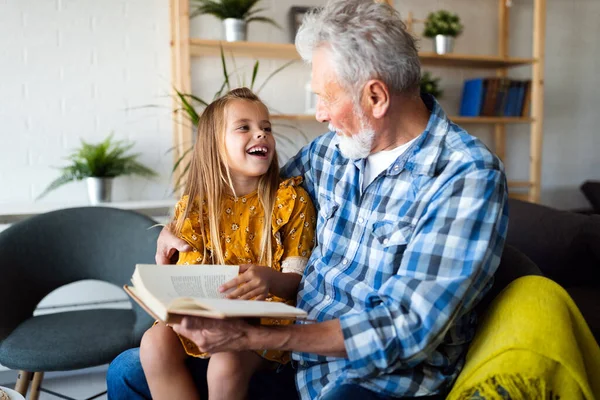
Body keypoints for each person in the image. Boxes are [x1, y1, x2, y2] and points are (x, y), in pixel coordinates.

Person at [107, 0, 508, 399]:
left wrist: (254, 336)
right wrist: (178, 226)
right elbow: (246, 191)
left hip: (368, 377)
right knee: (129, 370)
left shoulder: (465, 175)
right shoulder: (332, 152)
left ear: (376, 98)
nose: (320, 114)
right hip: (291, 356)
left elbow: (409, 327)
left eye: (326, 98)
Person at [135, 87, 316, 400]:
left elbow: (297, 283)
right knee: (153, 344)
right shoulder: (194, 208)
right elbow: (186, 283)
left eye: (266, 128)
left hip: (265, 320)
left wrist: (270, 279)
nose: (261, 134)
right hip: (206, 313)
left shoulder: (291, 201)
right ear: (215, 146)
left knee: (225, 361)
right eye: (244, 127)